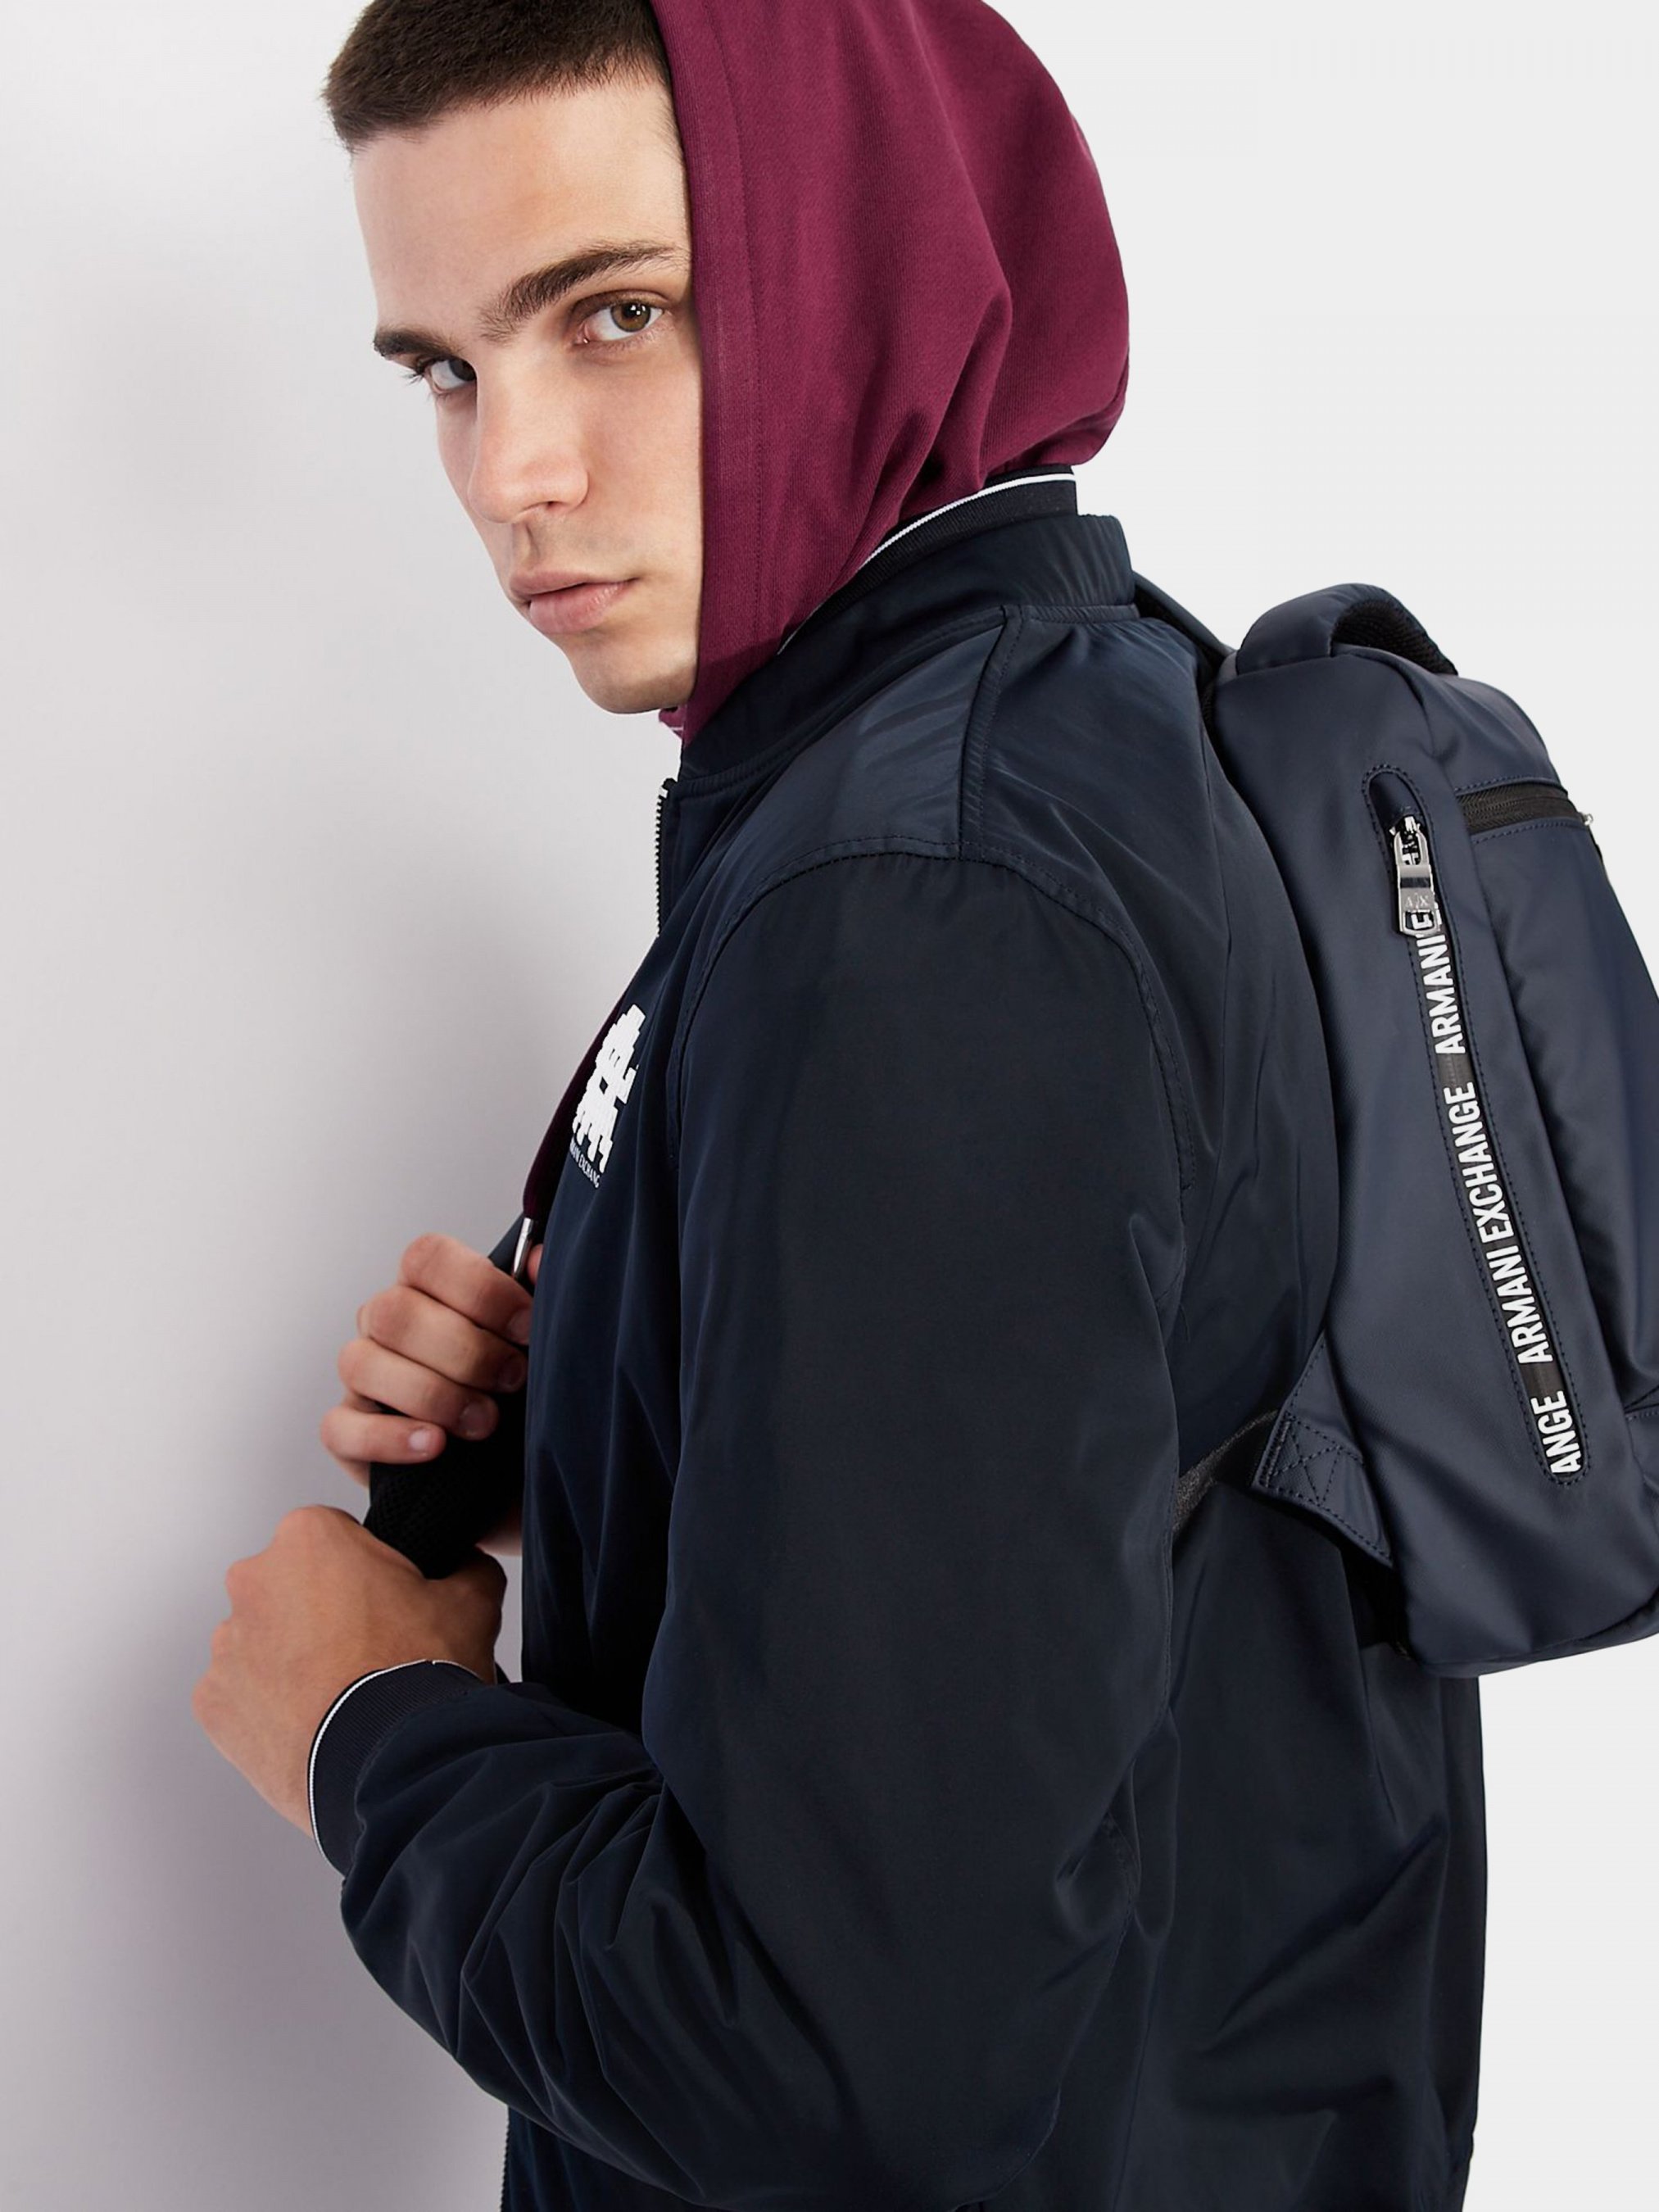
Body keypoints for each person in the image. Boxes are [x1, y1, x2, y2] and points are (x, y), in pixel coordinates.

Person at [191, 3, 1486, 2207]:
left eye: (615, 313)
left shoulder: (913, 897)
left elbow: (828, 2070)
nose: (511, 472)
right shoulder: (1090, 709)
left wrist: (362, 1727)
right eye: (444, 369)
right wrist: (626, 1402)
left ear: (862, 262)